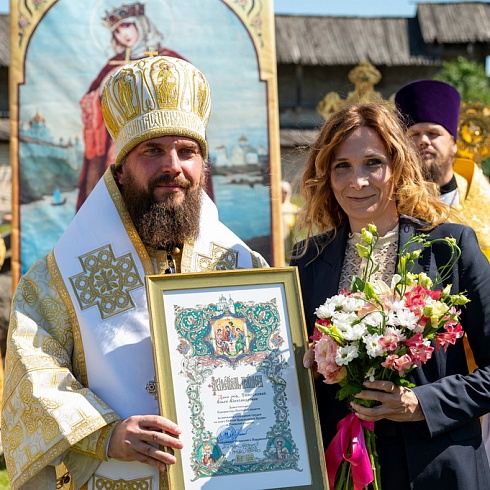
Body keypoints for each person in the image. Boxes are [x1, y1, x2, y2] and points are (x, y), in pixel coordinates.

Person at [2, 55, 268, 490]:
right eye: (153, 151)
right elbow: (33, 377)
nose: (173, 167)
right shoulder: (60, 274)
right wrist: (105, 434)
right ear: (121, 170)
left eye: (187, 152)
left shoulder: (239, 263)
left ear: (203, 168)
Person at [290, 102, 490, 488]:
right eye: (342, 166)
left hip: (439, 469)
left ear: (397, 167)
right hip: (344, 470)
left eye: (372, 163)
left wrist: (422, 405)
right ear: (326, 177)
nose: (357, 181)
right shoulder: (305, 262)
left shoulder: (450, 247)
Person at [77, 1, 187, 210]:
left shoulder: (170, 59)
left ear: (140, 24)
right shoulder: (113, 65)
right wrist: (102, 88)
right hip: (122, 144)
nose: (122, 35)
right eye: (116, 31)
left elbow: (190, 97)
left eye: (126, 26)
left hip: (164, 139)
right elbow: (90, 103)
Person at [394, 79, 490, 260]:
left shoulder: (484, 201)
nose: (423, 140)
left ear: (454, 144)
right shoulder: (389, 202)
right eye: (414, 134)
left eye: (433, 133)